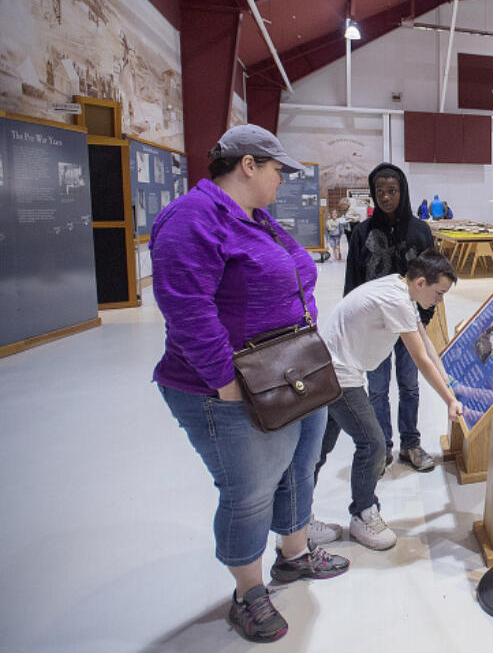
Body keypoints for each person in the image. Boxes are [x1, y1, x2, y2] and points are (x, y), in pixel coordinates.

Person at [151, 124, 348, 644]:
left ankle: (294, 555)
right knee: (250, 491)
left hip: (290, 373)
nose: (283, 180)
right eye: (278, 170)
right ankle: (247, 591)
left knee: (299, 467)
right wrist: (225, 384)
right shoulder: (191, 219)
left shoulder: (255, 219)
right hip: (231, 387)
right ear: (248, 165)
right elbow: (187, 310)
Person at [314, 250, 465, 549]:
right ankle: (363, 513)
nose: (439, 301)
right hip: (339, 374)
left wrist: (448, 380)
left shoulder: (401, 289)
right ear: (421, 282)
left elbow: (425, 341)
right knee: (373, 444)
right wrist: (449, 400)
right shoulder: (396, 299)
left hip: (330, 368)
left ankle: (296, 522)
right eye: (439, 293)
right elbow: (420, 358)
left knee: (318, 448)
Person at [345, 163, 439, 471]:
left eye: (392, 191)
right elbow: (353, 281)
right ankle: (382, 446)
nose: (386, 197)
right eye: (380, 192)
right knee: (377, 389)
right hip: (374, 328)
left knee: (410, 385)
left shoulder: (420, 231)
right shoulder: (362, 233)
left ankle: (410, 444)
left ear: (403, 191)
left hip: (410, 325)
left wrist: (424, 317)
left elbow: (433, 275)